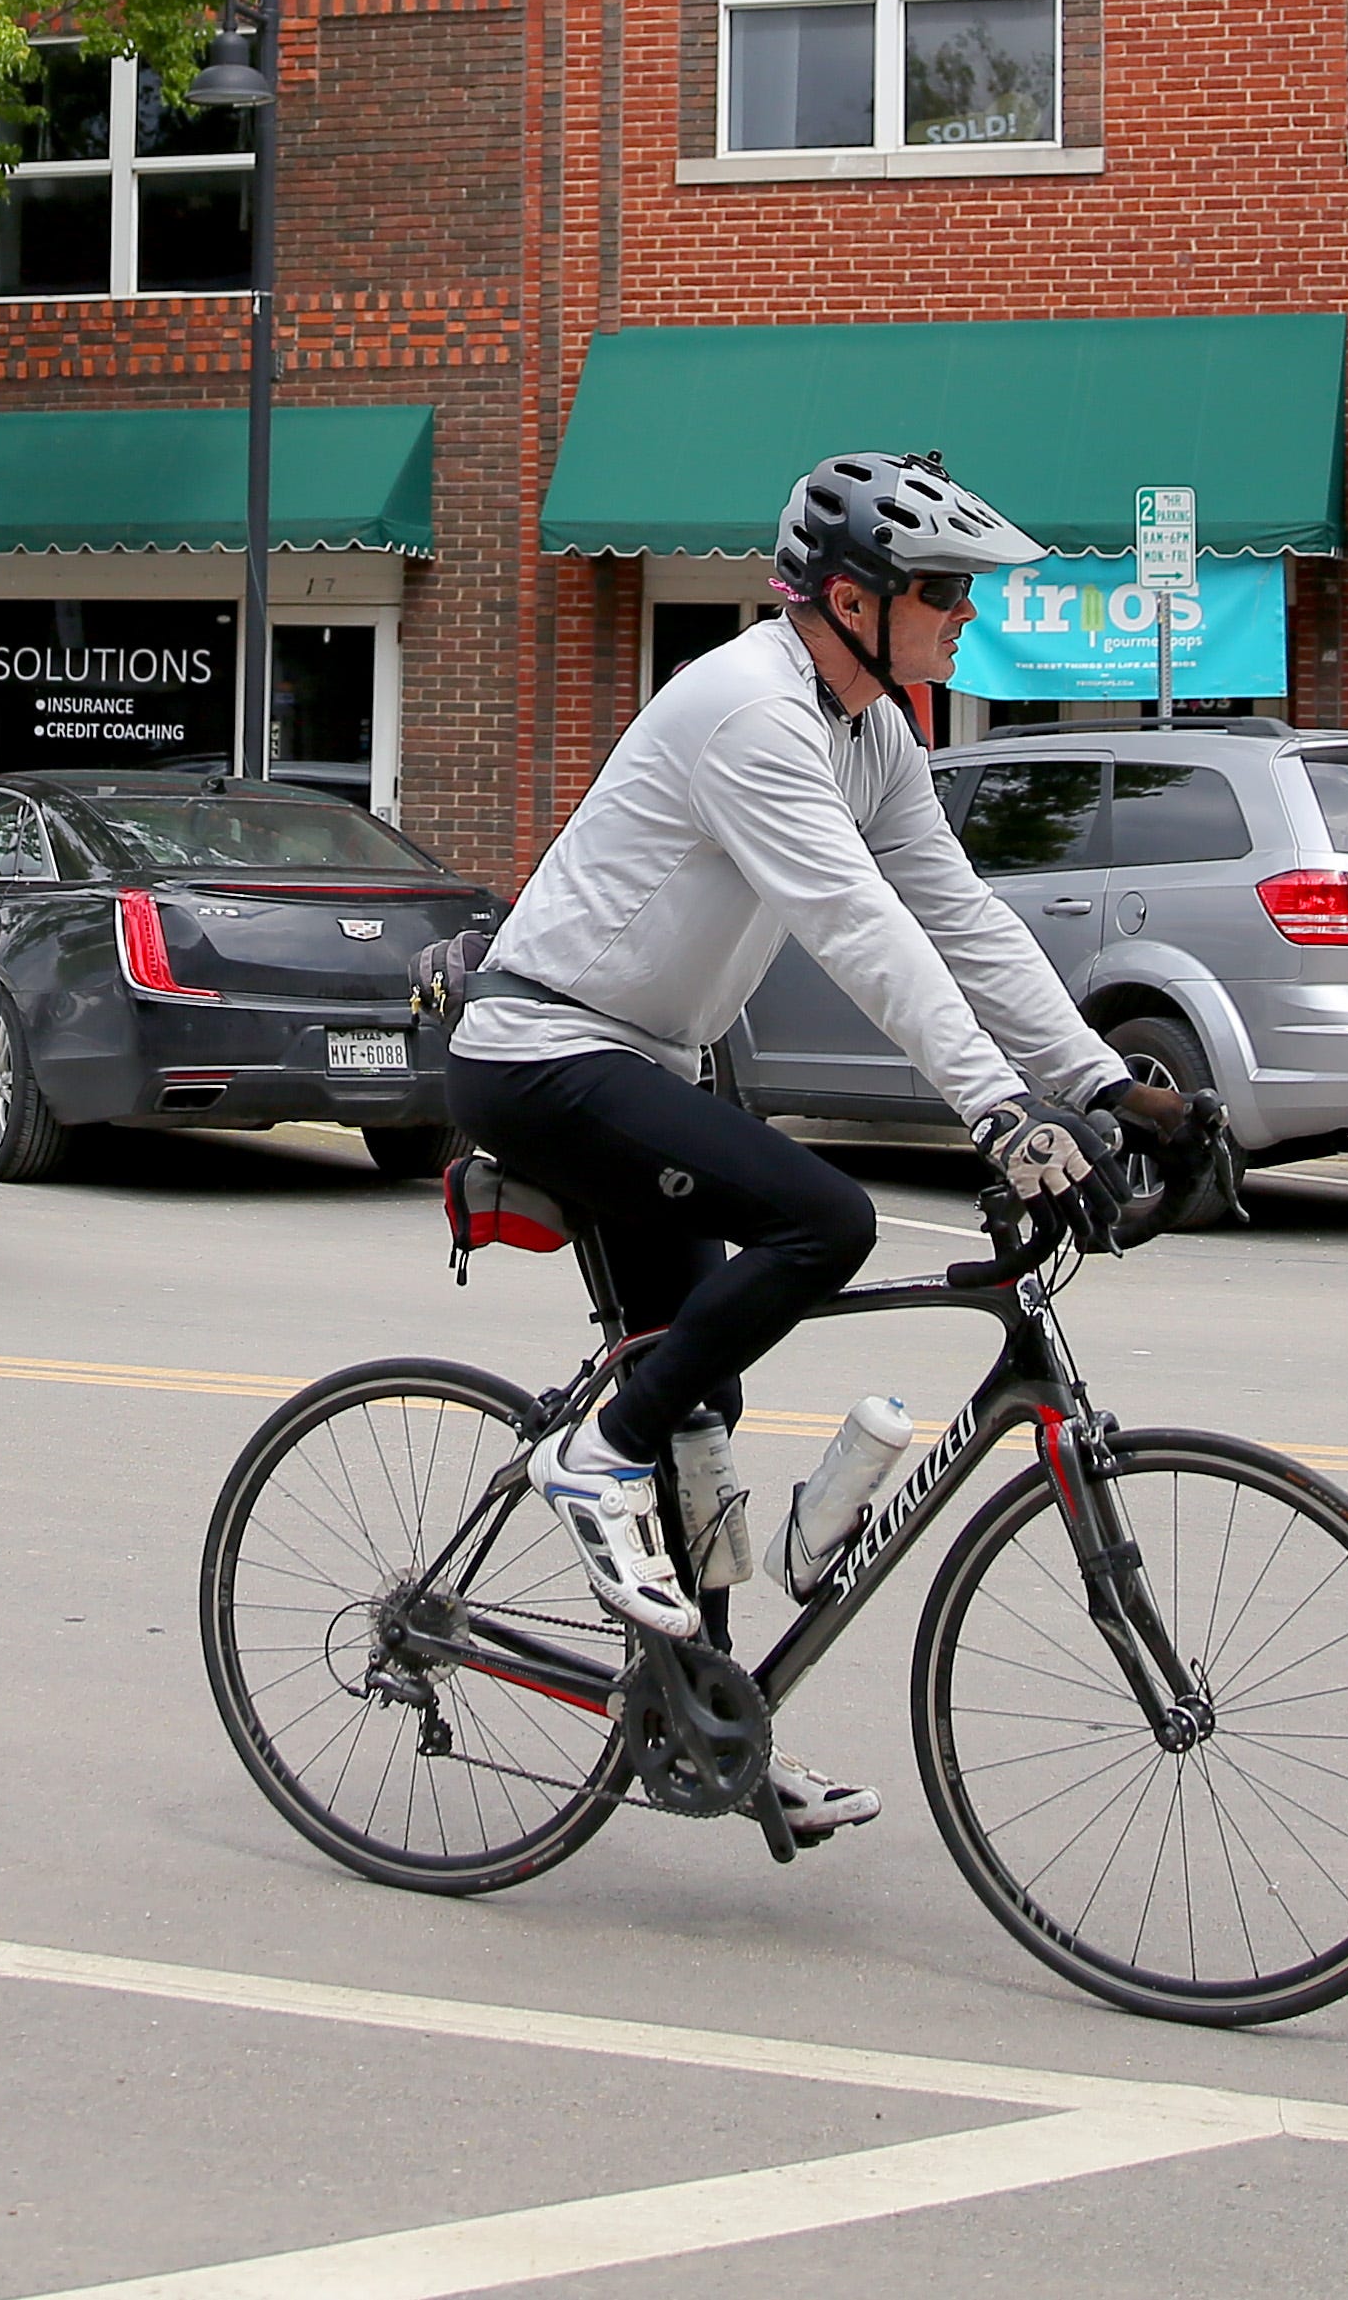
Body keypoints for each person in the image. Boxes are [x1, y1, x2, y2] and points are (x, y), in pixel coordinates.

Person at [441, 450, 1133, 1839]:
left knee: (704, 1402)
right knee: (826, 1221)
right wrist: (997, 1111)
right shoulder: (748, 712)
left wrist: (1108, 1084)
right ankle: (596, 1455)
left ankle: (707, 1727)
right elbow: (854, 927)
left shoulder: (870, 728)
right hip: (540, 1053)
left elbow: (958, 914)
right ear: (846, 594)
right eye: (940, 590)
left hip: (640, 1058)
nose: (963, 615)